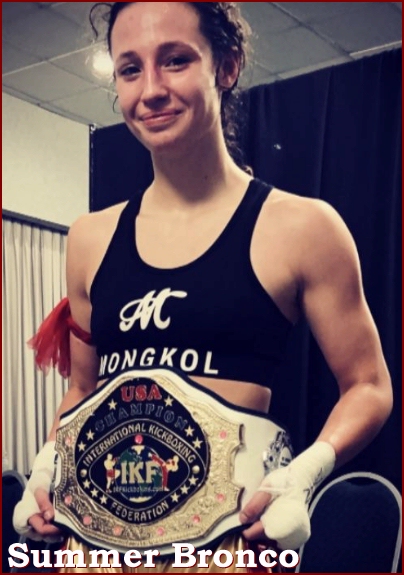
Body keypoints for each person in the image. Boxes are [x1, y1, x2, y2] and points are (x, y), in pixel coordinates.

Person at [13, 2, 392, 573]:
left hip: (225, 550)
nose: (151, 90)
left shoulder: (302, 228)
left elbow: (368, 385)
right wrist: (48, 468)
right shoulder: (90, 237)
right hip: (95, 549)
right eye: (130, 69)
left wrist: (304, 473)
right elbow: (82, 391)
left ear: (227, 65)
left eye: (175, 60)